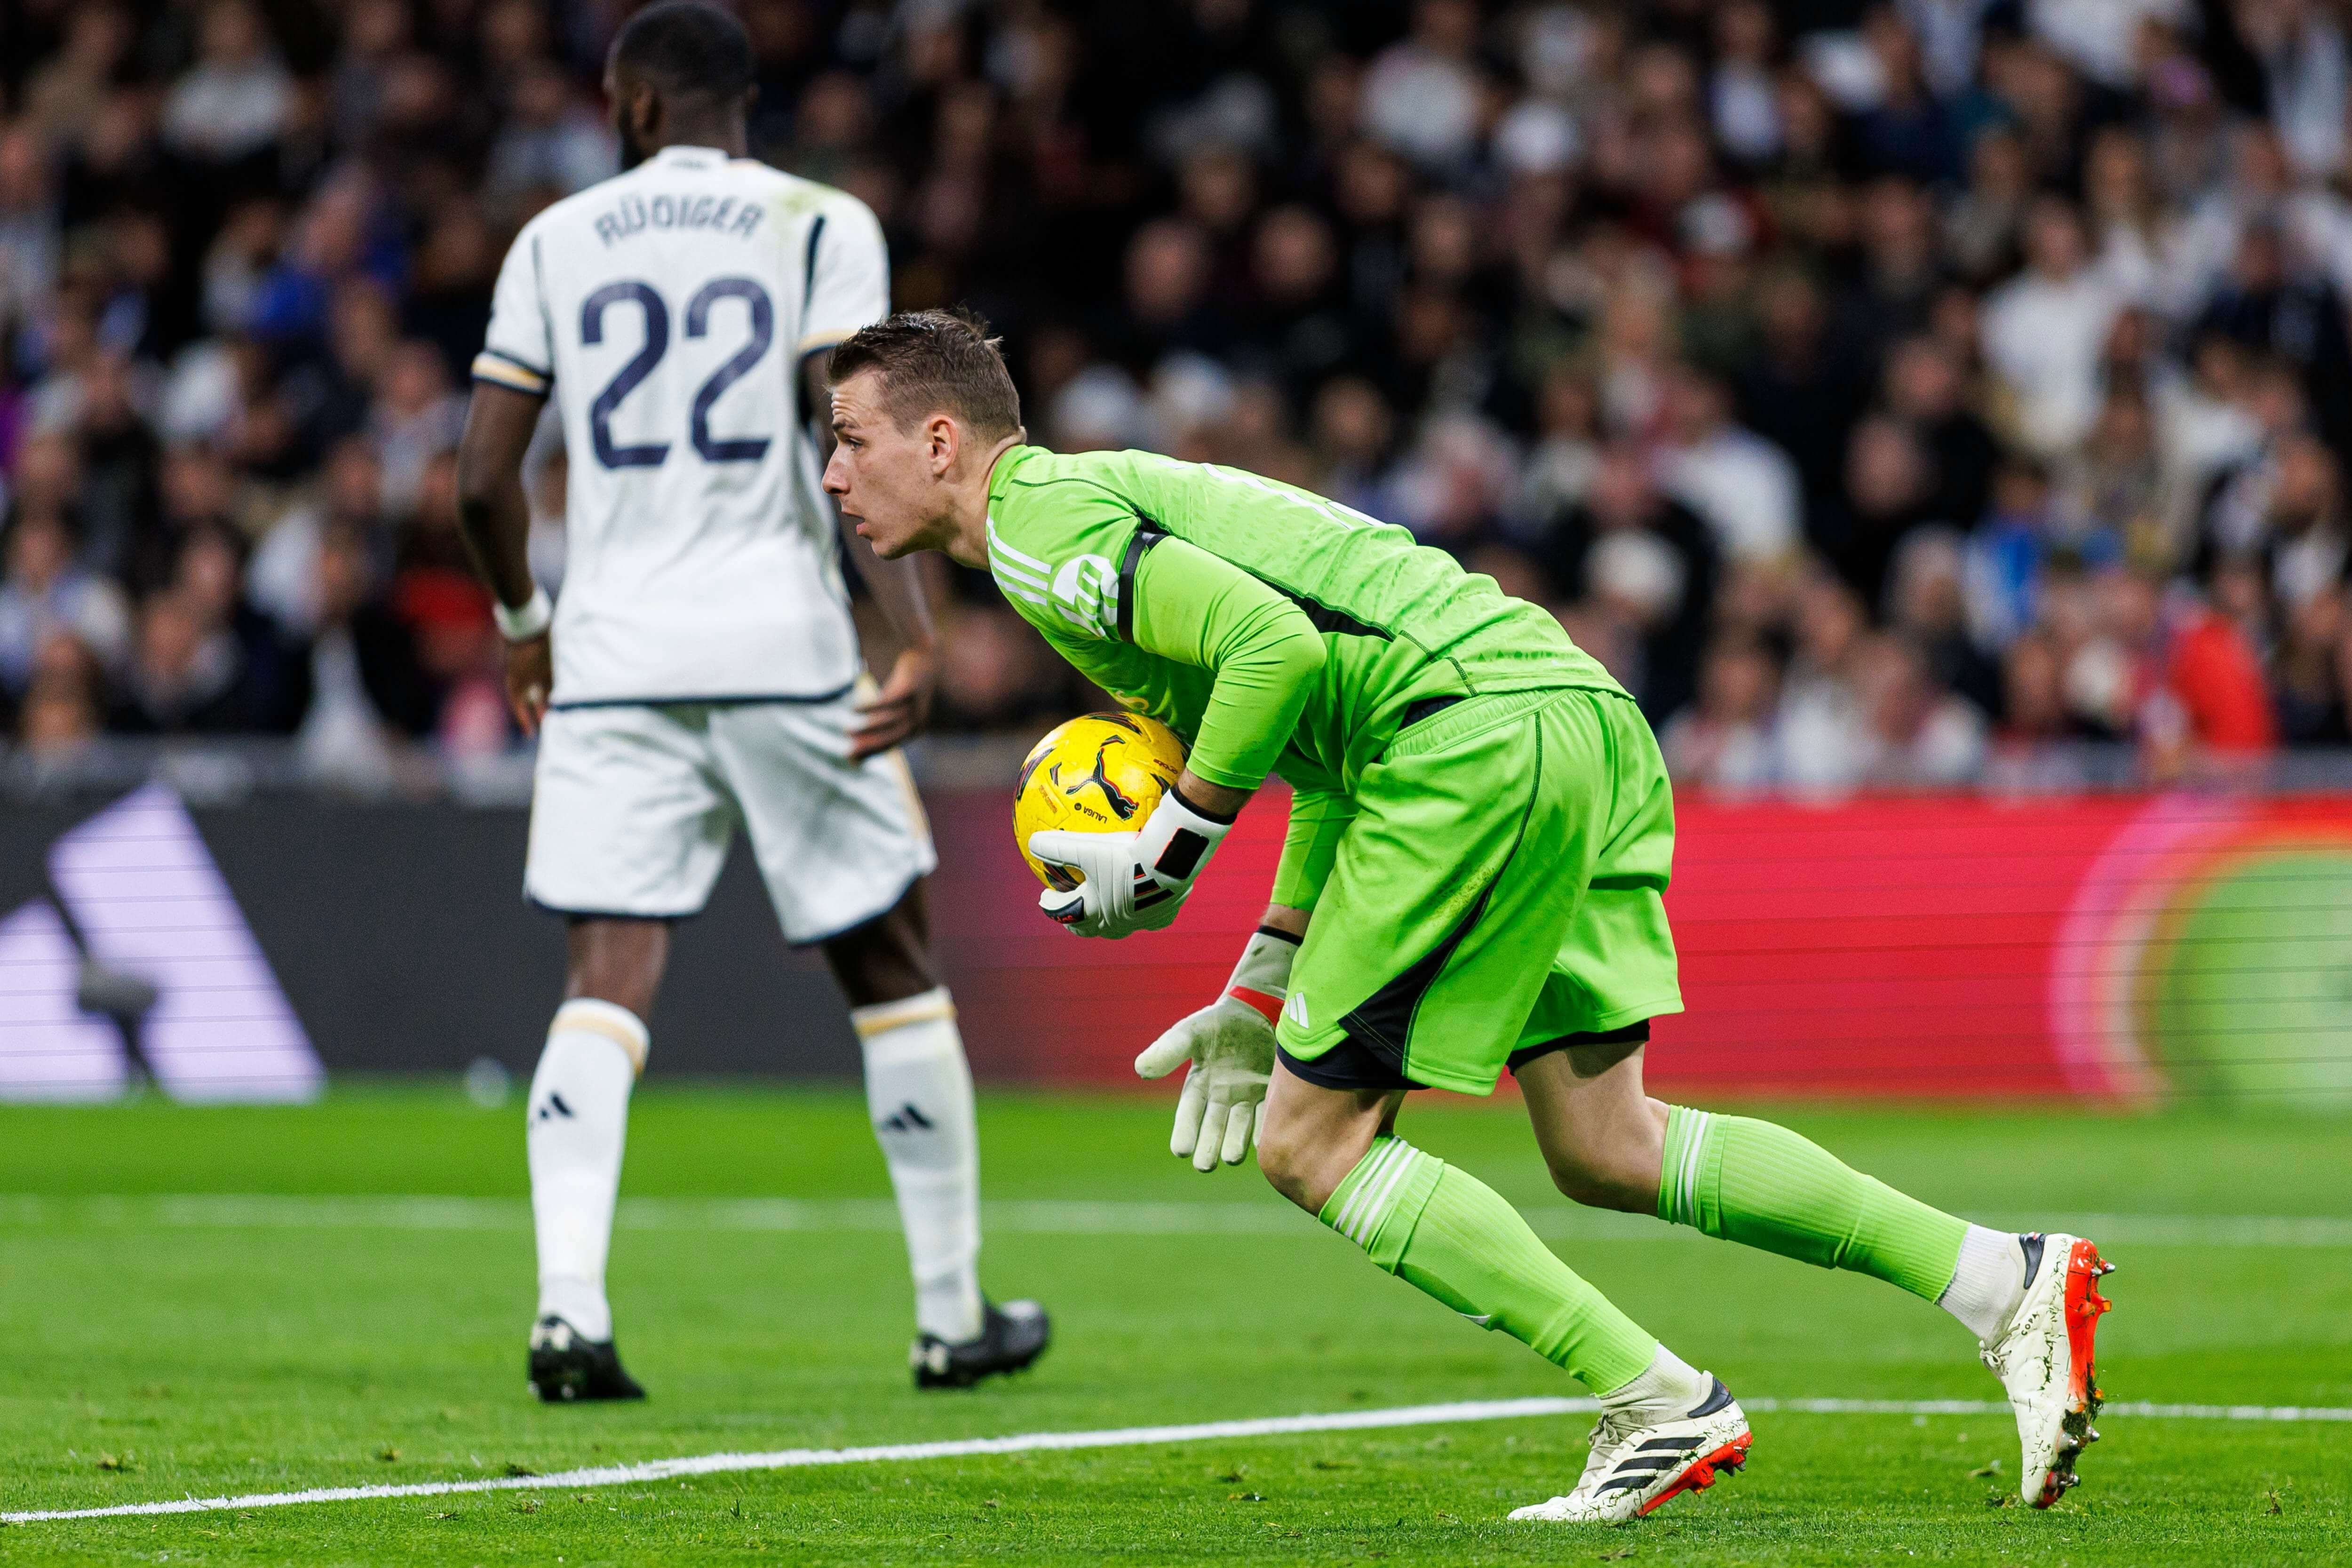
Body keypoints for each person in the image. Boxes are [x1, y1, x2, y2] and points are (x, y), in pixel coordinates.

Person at [820, 309, 2116, 1523]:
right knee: (1608, 1143)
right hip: (1564, 713)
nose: (832, 475)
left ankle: (1659, 1403)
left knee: (1309, 1145)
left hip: (1465, 742)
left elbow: (1277, 652)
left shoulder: (1039, 528)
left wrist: (1173, 842)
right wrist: (1260, 987)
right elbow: (1324, 759)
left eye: (849, 440)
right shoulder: (1096, 503)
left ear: (940, 442)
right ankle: (2000, 1279)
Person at [452, 4, 1046, 1404]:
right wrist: (911, 631)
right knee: (889, 962)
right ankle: (950, 1315)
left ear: (636, 104)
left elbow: (481, 480)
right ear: (740, 101)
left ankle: (568, 1313)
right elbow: (843, 436)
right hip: (782, 641)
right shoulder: (818, 223)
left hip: (614, 653)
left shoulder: (556, 239)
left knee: (607, 978)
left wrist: (525, 628)